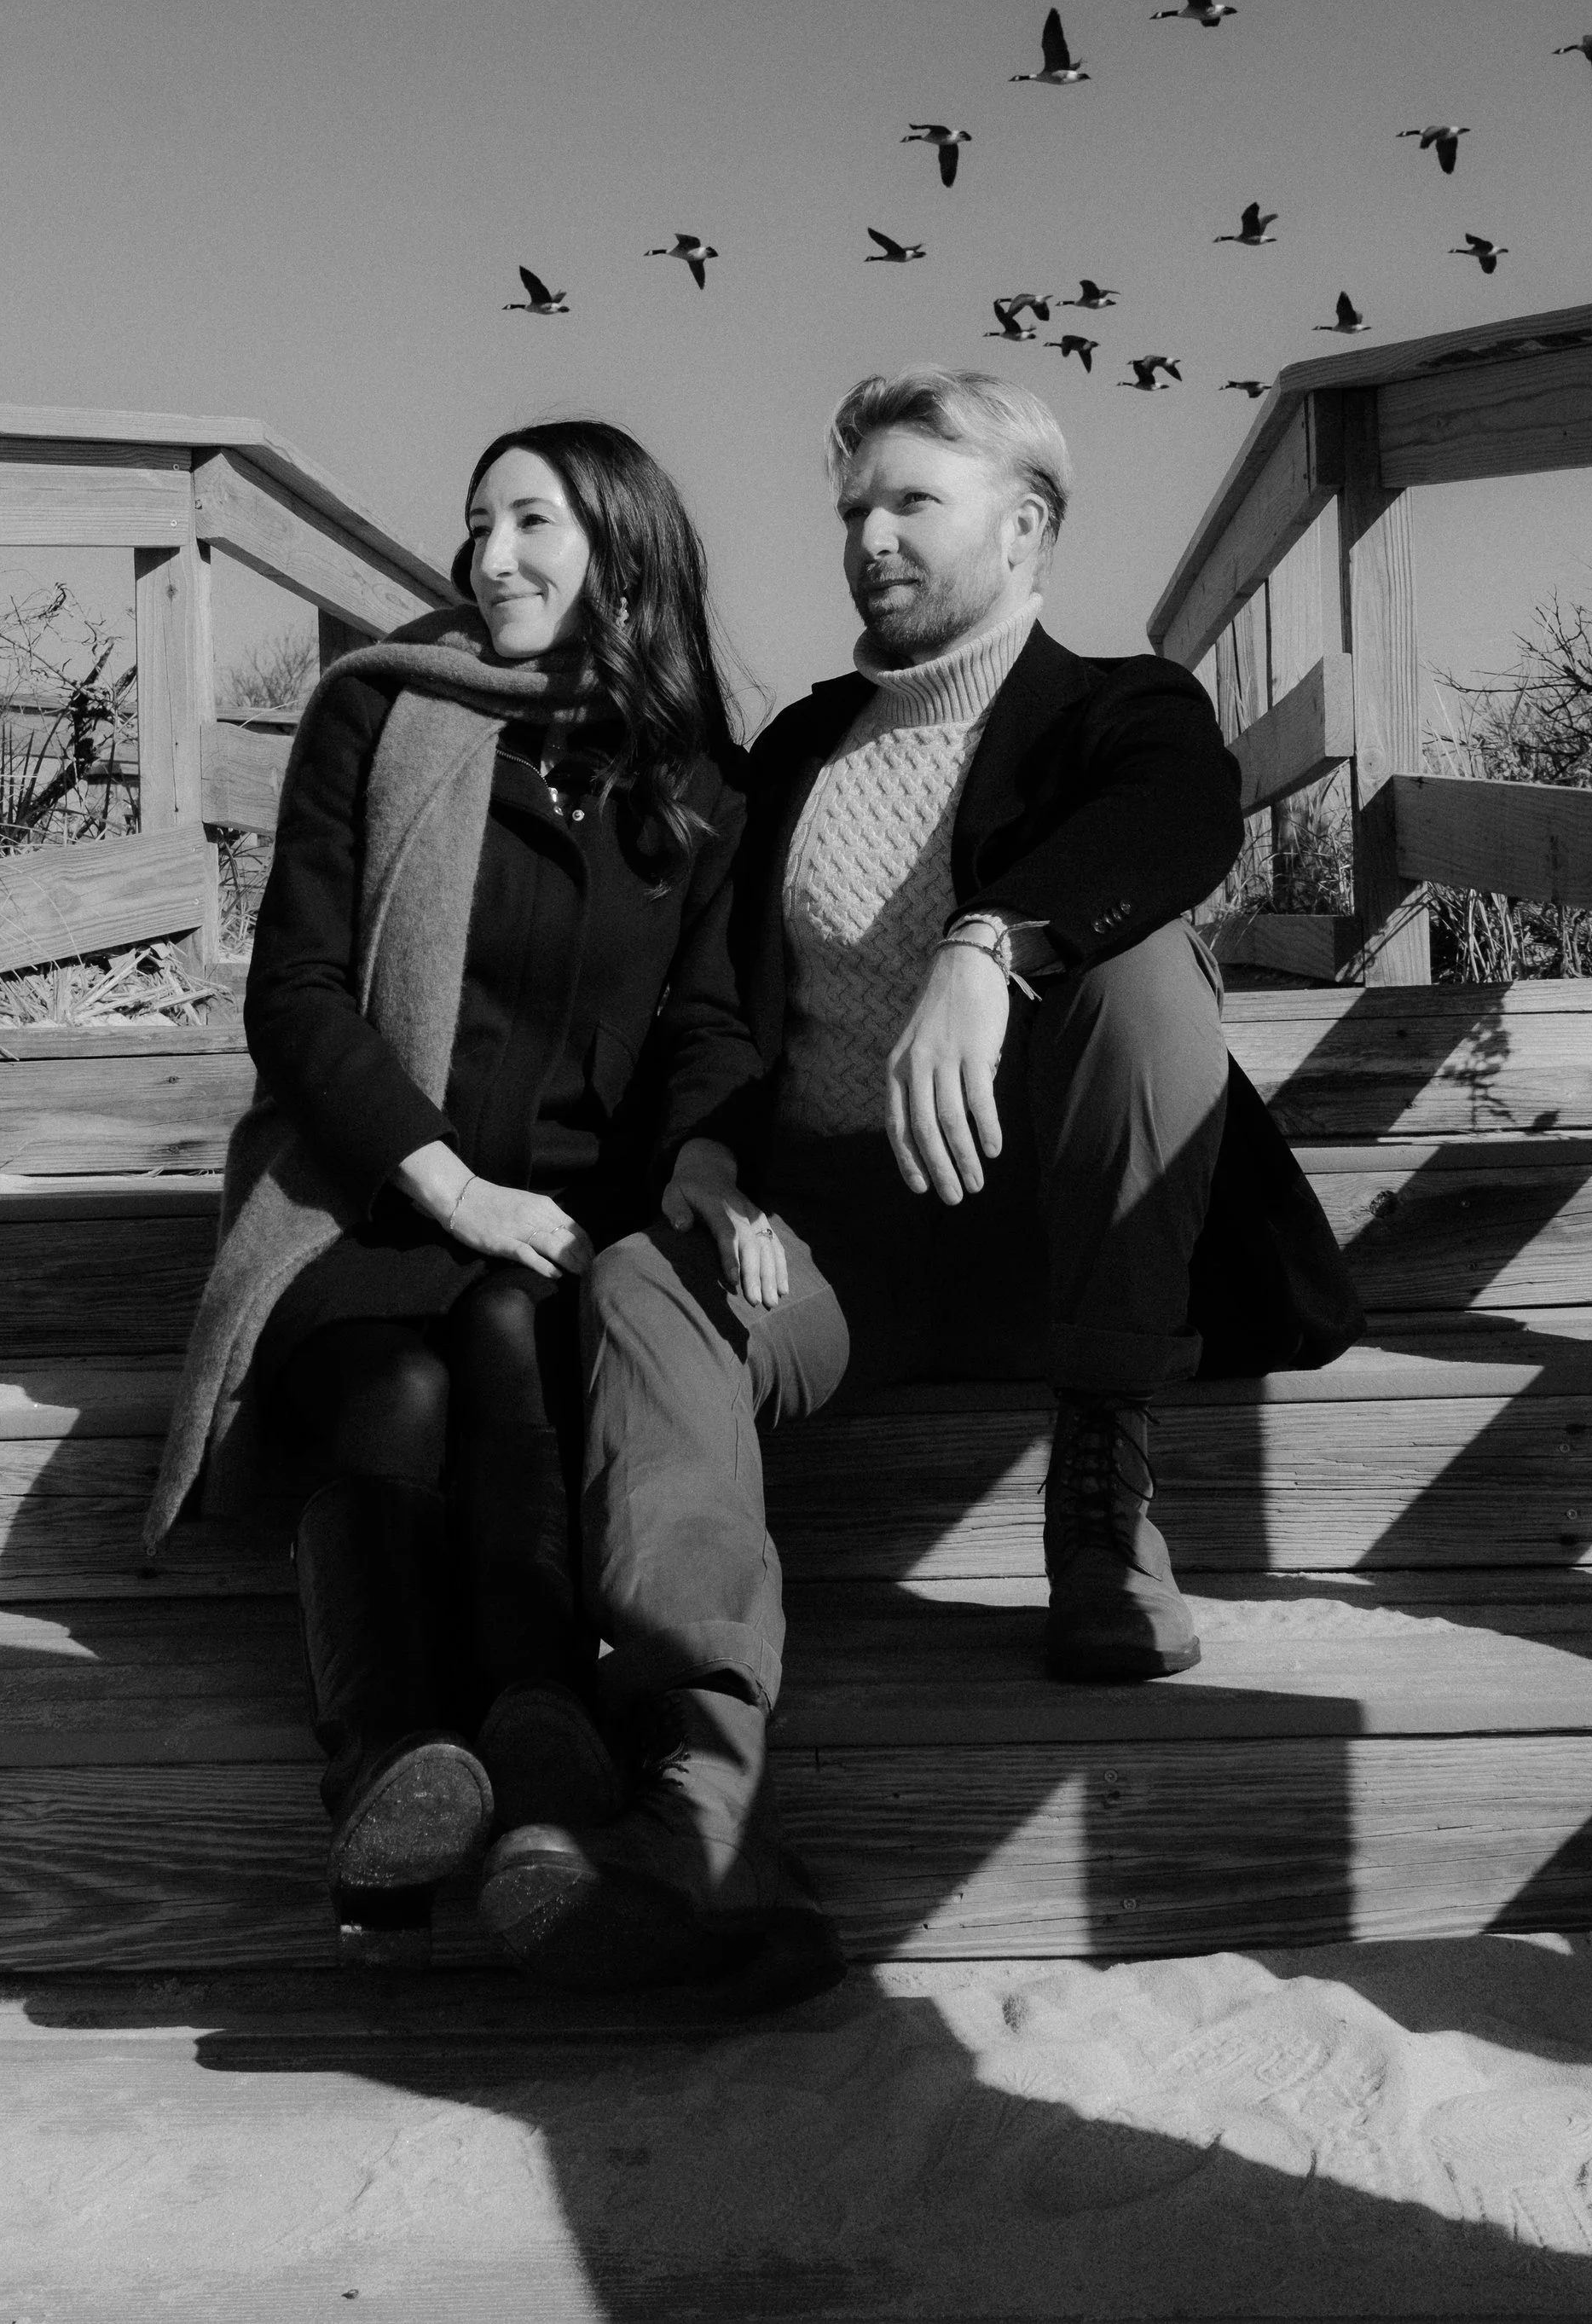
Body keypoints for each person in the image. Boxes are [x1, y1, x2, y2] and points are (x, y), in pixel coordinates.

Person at [478, 365, 1361, 1999]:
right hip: (839, 1242)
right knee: (634, 1280)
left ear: (1023, 527)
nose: (868, 538)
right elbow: (721, 1003)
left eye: (910, 503)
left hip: (1061, 1225)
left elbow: (1181, 818)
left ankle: (1102, 1508)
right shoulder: (801, 744)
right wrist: (709, 1153)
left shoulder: (1120, 706)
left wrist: (992, 938)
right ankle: (708, 1802)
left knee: (1149, 970)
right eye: (852, 511)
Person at [142, 419, 766, 1922]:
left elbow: (714, 1022)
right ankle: (390, 1760)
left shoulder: (698, 787)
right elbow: (292, 992)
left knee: (501, 1333)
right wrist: (442, 1181)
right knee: (400, 1385)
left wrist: (698, 1158)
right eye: (477, 523)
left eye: (534, 522)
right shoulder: (384, 713)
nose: (492, 558)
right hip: (359, 1192)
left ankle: (535, 1739)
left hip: (563, 1217)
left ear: (623, 543)